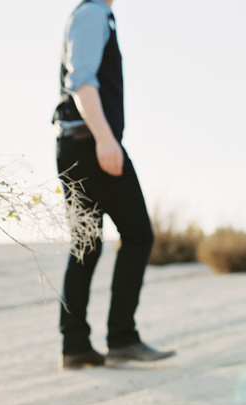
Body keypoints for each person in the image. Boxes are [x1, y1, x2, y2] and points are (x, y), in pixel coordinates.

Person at [53, 0, 175, 369]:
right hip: (89, 144)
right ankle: (121, 338)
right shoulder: (92, 13)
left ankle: (75, 347)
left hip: (74, 144)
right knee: (138, 235)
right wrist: (106, 139)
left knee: (86, 245)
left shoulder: (92, 13)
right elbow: (82, 81)